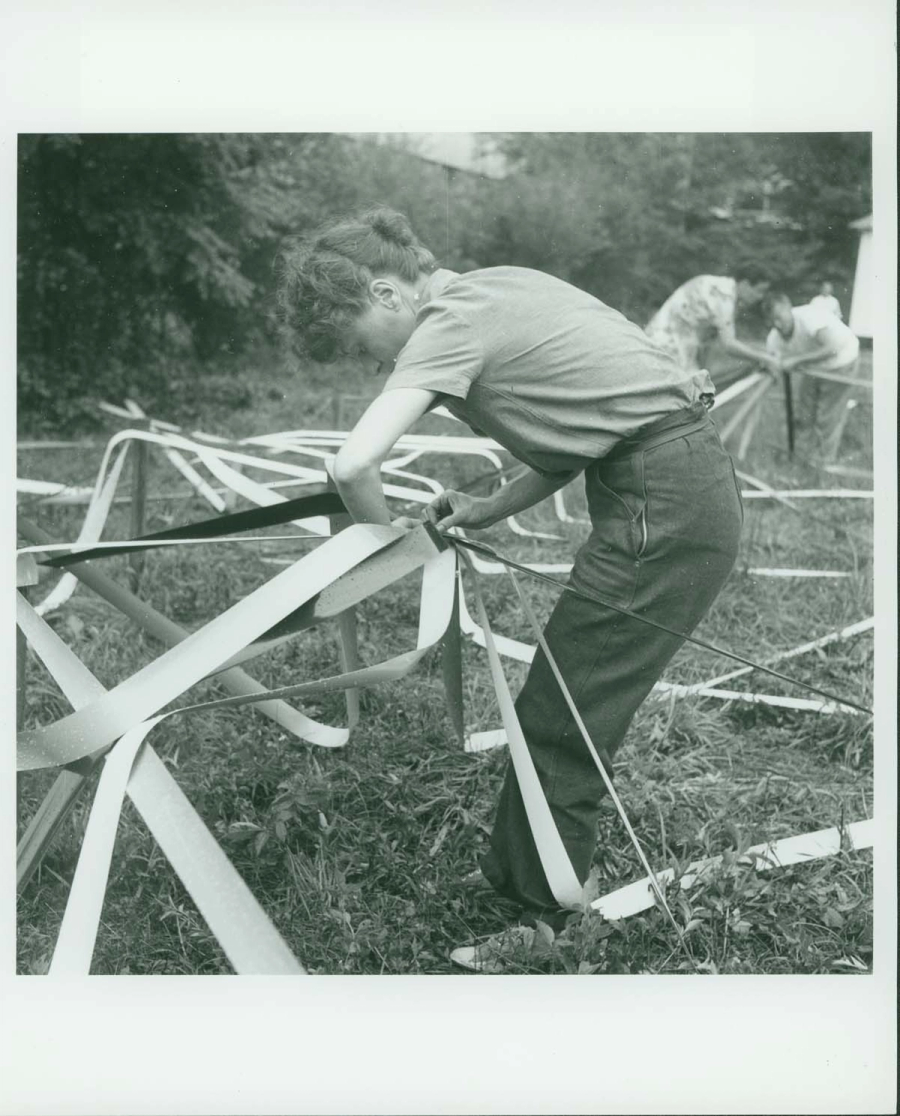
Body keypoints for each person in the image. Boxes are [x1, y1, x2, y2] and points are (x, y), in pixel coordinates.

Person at [276, 207, 744, 972]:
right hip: (665, 478)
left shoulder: (449, 320)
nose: (377, 369)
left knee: (565, 709)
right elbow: (596, 427)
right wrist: (487, 507)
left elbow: (351, 466)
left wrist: (385, 558)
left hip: (665, 499)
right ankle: (519, 872)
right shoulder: (500, 288)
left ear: (387, 293)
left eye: (362, 346)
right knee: (560, 698)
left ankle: (550, 922)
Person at [765, 291, 861, 460]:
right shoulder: (774, 338)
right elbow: (771, 361)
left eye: (780, 317)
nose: (777, 324)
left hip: (842, 360)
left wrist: (796, 360)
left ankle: (823, 463)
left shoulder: (809, 318)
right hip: (813, 367)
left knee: (827, 415)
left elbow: (832, 347)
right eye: (772, 321)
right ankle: (801, 457)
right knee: (805, 413)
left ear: (789, 308)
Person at [644, 266, 778, 378]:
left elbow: (707, 341)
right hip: (667, 345)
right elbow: (729, 345)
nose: (760, 297)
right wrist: (764, 358)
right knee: (691, 396)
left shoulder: (719, 286)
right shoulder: (725, 297)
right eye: (759, 291)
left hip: (665, 340)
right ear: (744, 284)